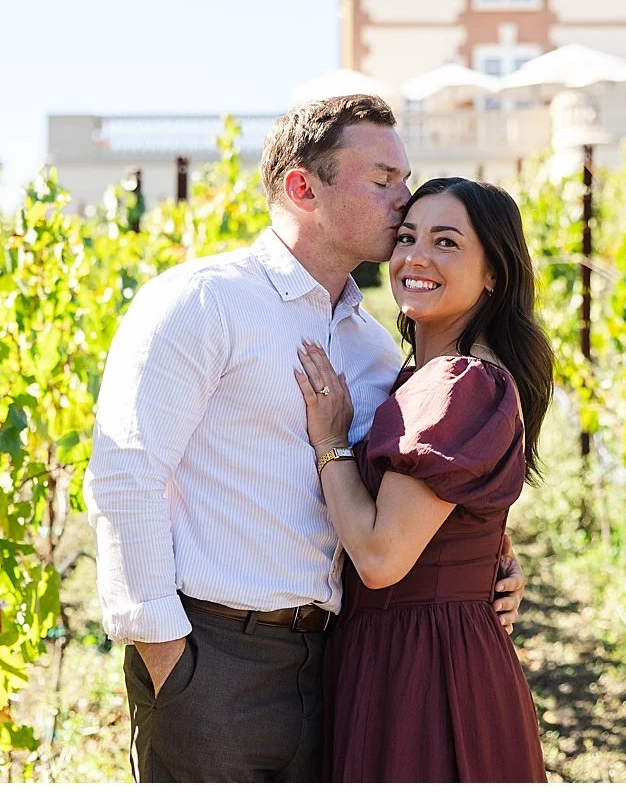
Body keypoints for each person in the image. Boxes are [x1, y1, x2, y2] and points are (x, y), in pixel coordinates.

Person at [85, 96, 527, 782]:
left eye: (404, 180)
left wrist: (493, 558)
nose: (402, 200)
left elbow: (424, 484)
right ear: (302, 187)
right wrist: (170, 660)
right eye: (383, 180)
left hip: (341, 665)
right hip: (213, 660)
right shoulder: (202, 301)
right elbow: (124, 476)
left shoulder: (376, 350)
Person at [293, 176, 554, 782]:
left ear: (494, 273)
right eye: (408, 237)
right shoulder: (421, 374)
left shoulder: (460, 383)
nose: (417, 257)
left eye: (446, 242)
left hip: (422, 667)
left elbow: (381, 558)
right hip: (414, 649)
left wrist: (330, 442)